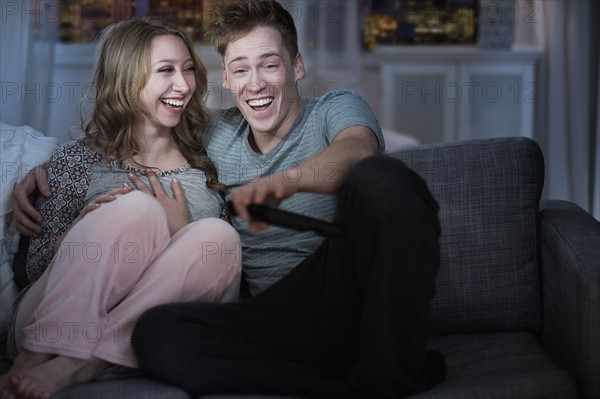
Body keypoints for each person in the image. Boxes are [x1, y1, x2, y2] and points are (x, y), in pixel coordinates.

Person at [11, 1, 443, 398]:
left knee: (385, 179)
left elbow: (358, 153)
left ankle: (386, 377)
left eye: (269, 64)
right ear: (227, 78)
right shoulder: (215, 134)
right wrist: (45, 164)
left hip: (336, 285)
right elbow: (143, 126)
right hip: (269, 319)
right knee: (160, 334)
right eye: (240, 69)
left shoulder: (335, 108)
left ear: (297, 65)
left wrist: (287, 182)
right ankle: (343, 387)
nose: (255, 82)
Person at [0, 18, 241, 399]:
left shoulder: (208, 158)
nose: (184, 85)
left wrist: (176, 232)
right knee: (137, 210)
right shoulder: (77, 161)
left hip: (153, 330)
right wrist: (77, 232)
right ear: (126, 79)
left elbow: (209, 275)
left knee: (220, 237)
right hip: (51, 323)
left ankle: (80, 365)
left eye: (188, 69)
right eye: (166, 71)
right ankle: (36, 356)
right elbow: (33, 271)